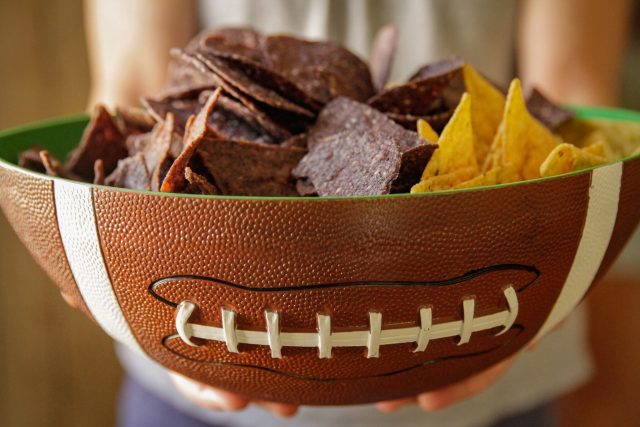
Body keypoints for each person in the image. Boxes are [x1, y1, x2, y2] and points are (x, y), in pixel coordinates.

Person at [83, 1, 635, 426]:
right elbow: (135, 91)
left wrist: (552, 284)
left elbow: (569, 98)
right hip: (191, 349)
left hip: (499, 331)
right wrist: (105, 268)